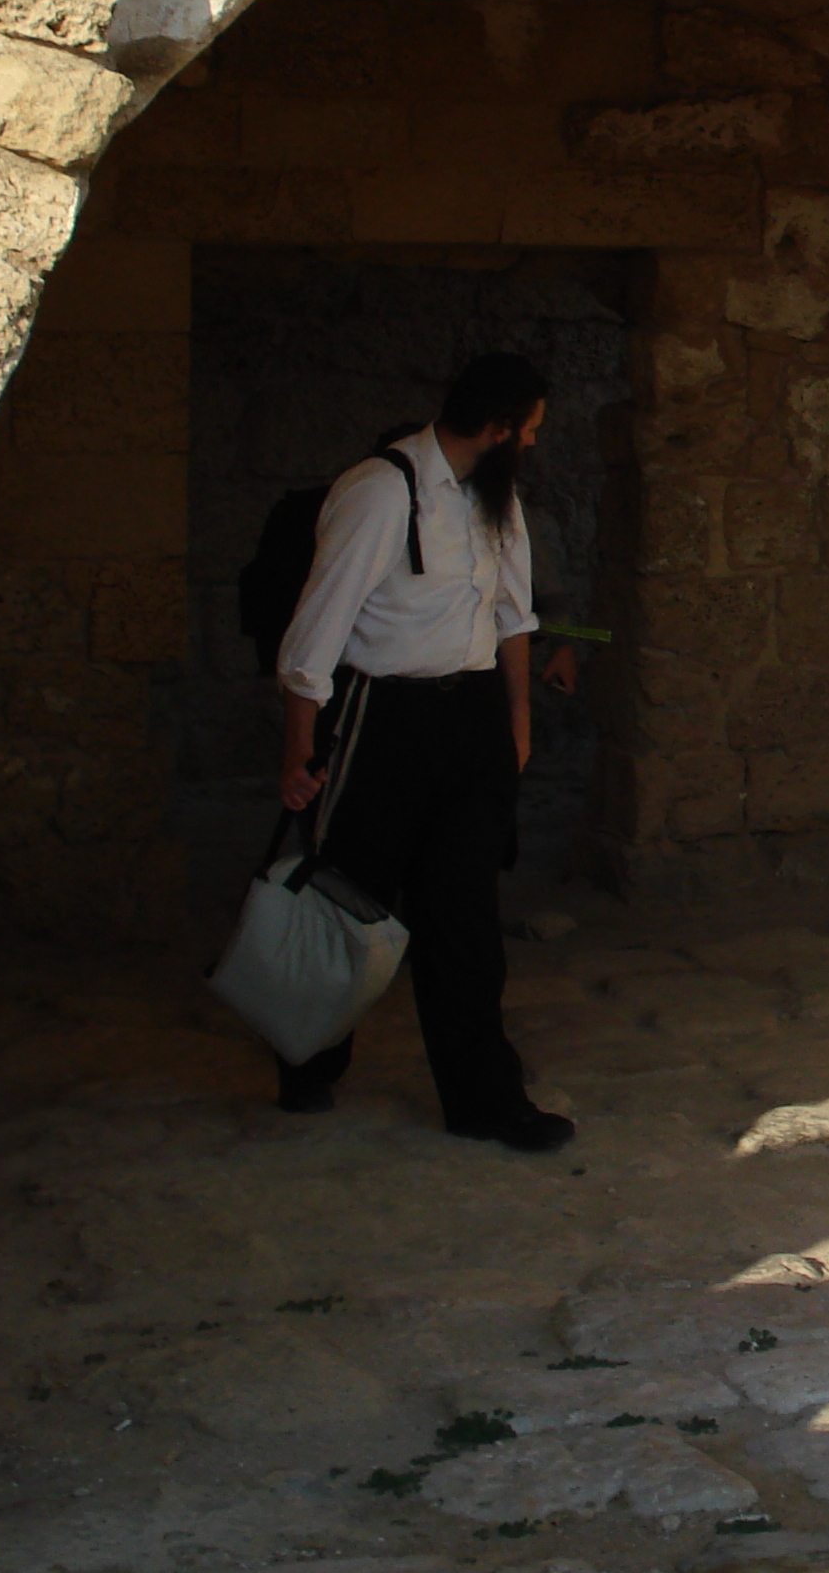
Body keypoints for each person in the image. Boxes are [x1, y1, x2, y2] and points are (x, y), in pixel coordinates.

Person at [270, 351, 575, 1153]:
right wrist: (299, 752)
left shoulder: (495, 500)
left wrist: (516, 723)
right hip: (385, 719)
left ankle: (485, 1098)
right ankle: (306, 1057)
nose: (534, 447)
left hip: (470, 719)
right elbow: (316, 630)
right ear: (498, 428)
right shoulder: (379, 492)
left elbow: (512, 617)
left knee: (464, 916)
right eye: (531, 432)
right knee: (347, 898)